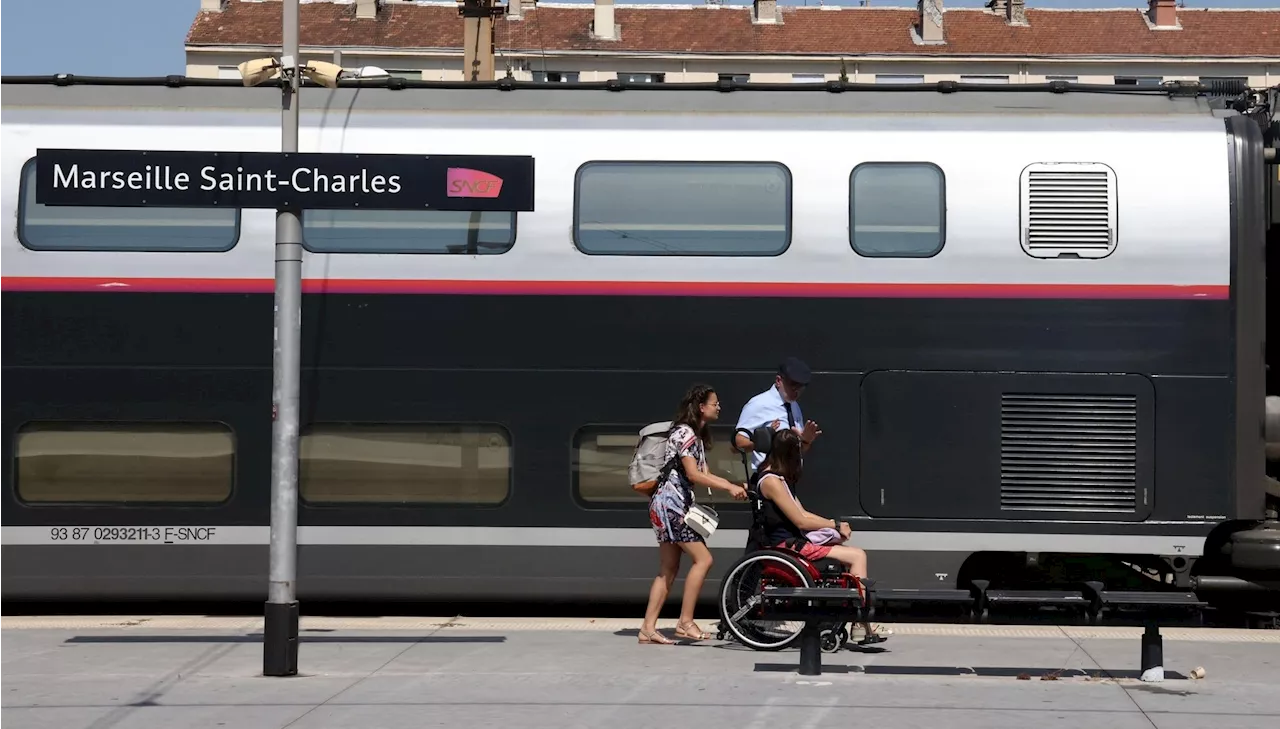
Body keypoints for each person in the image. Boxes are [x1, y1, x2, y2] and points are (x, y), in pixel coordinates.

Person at [753, 428, 891, 643]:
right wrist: (834, 525)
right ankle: (861, 623)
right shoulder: (772, 481)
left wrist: (832, 527)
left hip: (792, 543)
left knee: (850, 557)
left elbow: (802, 513)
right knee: (857, 556)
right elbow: (800, 520)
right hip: (787, 546)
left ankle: (858, 622)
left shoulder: (777, 479)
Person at [639, 384, 749, 645]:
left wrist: (735, 485)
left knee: (668, 569)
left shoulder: (693, 436)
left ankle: (647, 628)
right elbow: (694, 475)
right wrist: (730, 487)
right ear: (701, 407)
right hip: (672, 505)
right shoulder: (685, 433)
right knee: (704, 560)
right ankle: (685, 622)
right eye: (715, 403)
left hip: (665, 504)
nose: (719, 407)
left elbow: (706, 474)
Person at [734, 357, 822, 472]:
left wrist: (806, 441)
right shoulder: (759, 404)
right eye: (793, 385)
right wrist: (765, 442)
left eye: (801, 387)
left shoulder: (794, 406)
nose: (797, 390)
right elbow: (737, 443)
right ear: (778, 381)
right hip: (767, 476)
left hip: (789, 476)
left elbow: (798, 451)